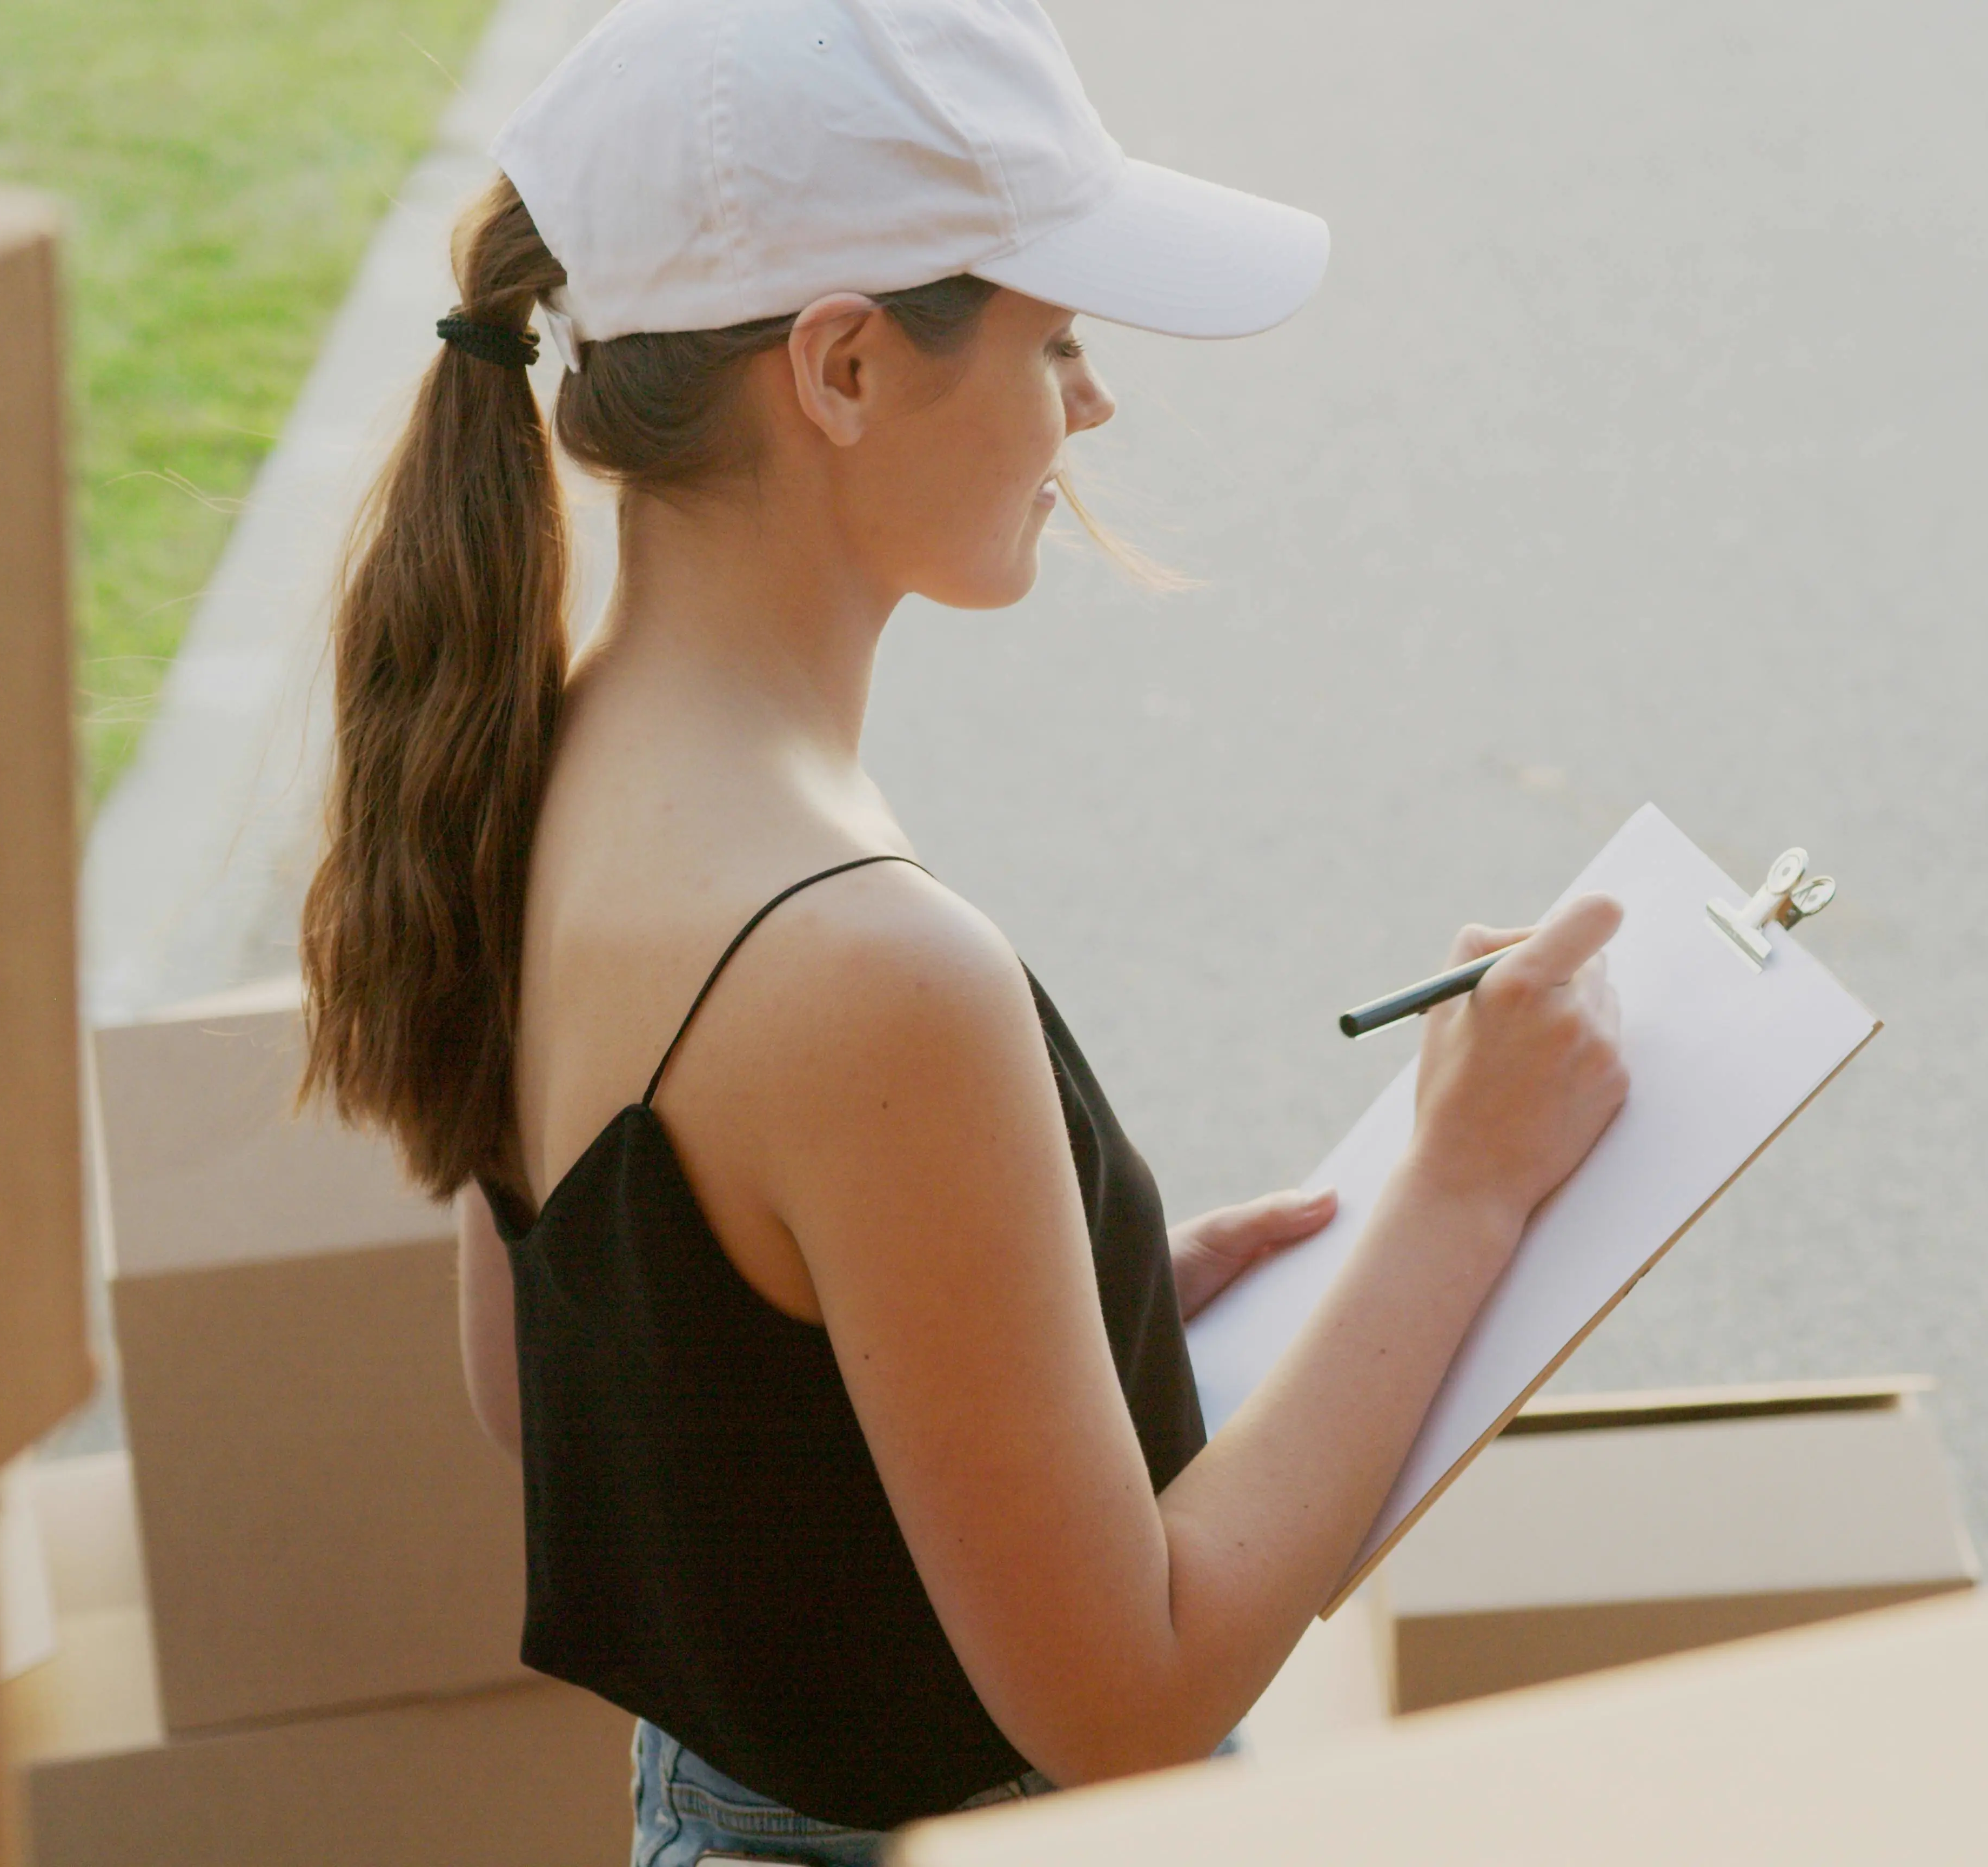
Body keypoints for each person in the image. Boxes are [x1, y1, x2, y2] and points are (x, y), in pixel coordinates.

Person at [294, 1, 1628, 1858]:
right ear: (839, 368)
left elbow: (566, 1406)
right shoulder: (859, 963)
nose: (1092, 406)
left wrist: (1020, 1363)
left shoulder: (536, 770)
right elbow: (1131, 1711)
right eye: (1057, 339)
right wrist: (1470, 1183)